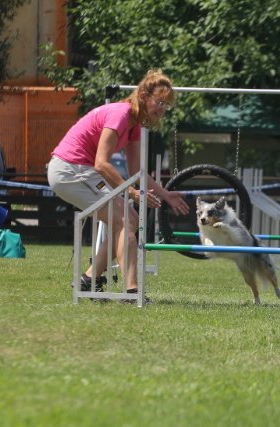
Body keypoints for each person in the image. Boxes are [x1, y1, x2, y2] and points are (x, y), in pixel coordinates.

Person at [47, 69, 189, 297]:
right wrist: (131, 192)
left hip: (79, 170)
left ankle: (89, 279)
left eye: (167, 105)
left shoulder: (135, 125)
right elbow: (101, 164)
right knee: (126, 220)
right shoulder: (120, 115)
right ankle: (131, 292)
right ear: (144, 96)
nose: (163, 109)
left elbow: (137, 172)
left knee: (127, 220)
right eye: (160, 102)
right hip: (70, 170)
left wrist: (165, 194)